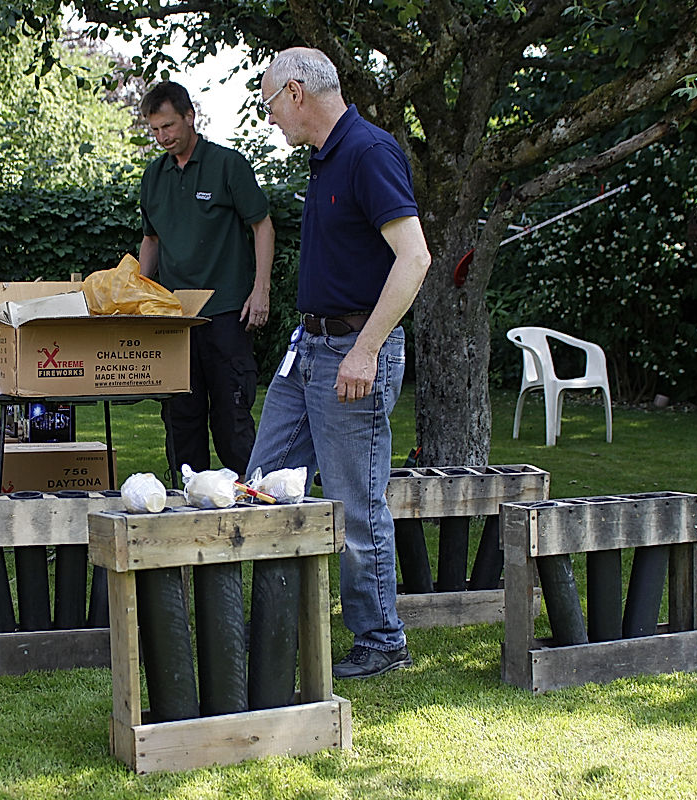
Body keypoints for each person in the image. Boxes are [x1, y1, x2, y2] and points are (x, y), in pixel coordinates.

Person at [248, 48, 431, 678]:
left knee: (356, 504)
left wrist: (366, 349)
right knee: (263, 484)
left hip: (353, 354)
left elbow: (415, 259)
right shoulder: (325, 159)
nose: (270, 118)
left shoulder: (368, 152)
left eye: (270, 103)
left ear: (296, 92)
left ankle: (382, 639)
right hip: (307, 353)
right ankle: (273, 626)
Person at [138, 81, 276, 480]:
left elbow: (262, 225)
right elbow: (151, 240)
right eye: (155, 130)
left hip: (227, 312)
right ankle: (186, 506)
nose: (163, 137)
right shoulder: (154, 177)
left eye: (169, 126)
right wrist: (133, 294)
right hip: (173, 319)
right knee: (181, 420)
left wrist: (260, 289)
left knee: (232, 421)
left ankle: (253, 506)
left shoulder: (227, 165)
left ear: (189, 116)